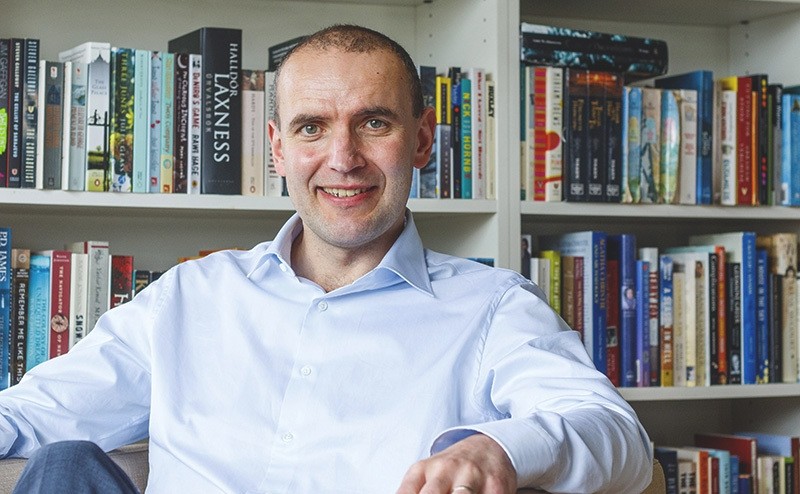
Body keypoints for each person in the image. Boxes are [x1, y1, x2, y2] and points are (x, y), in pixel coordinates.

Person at [0, 25, 653, 494]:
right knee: (64, 464)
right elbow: (30, 417)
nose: (343, 158)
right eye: (312, 127)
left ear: (422, 141)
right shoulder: (190, 297)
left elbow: (619, 441)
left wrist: (500, 448)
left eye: (374, 123)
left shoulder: (493, 307)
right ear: (278, 150)